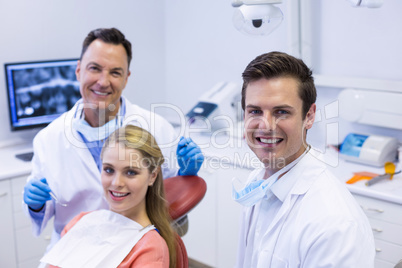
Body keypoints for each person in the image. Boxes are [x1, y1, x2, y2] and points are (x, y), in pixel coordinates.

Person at [23, 27, 204, 253]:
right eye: (94, 68)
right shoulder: (49, 139)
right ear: (78, 70)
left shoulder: (156, 128)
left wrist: (185, 177)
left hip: (135, 252)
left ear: (127, 78)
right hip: (74, 253)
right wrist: (36, 204)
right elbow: (43, 211)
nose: (103, 81)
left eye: (115, 72)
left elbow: (173, 208)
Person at [233, 51, 375, 267]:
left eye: (281, 112)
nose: (266, 125)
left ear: (309, 116)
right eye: (255, 111)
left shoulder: (333, 223)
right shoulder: (258, 182)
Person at [41, 125, 176, 268]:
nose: (116, 183)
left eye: (130, 172)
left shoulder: (149, 249)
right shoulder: (80, 222)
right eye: (109, 170)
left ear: (152, 176)